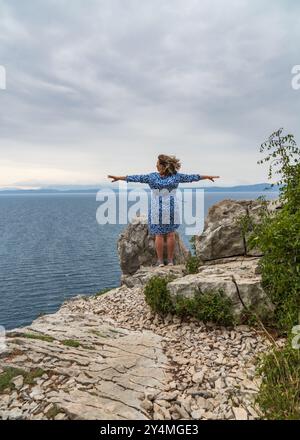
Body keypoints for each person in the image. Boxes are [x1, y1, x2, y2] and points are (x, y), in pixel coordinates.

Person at [108, 154, 219, 266]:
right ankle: (170, 261)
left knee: (159, 235)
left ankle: (160, 261)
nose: (156, 167)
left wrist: (119, 178)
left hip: (157, 209)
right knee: (170, 234)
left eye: (157, 165)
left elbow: (136, 178)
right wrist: (207, 176)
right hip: (171, 208)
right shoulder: (175, 177)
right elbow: (192, 177)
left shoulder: (152, 177)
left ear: (163, 166)